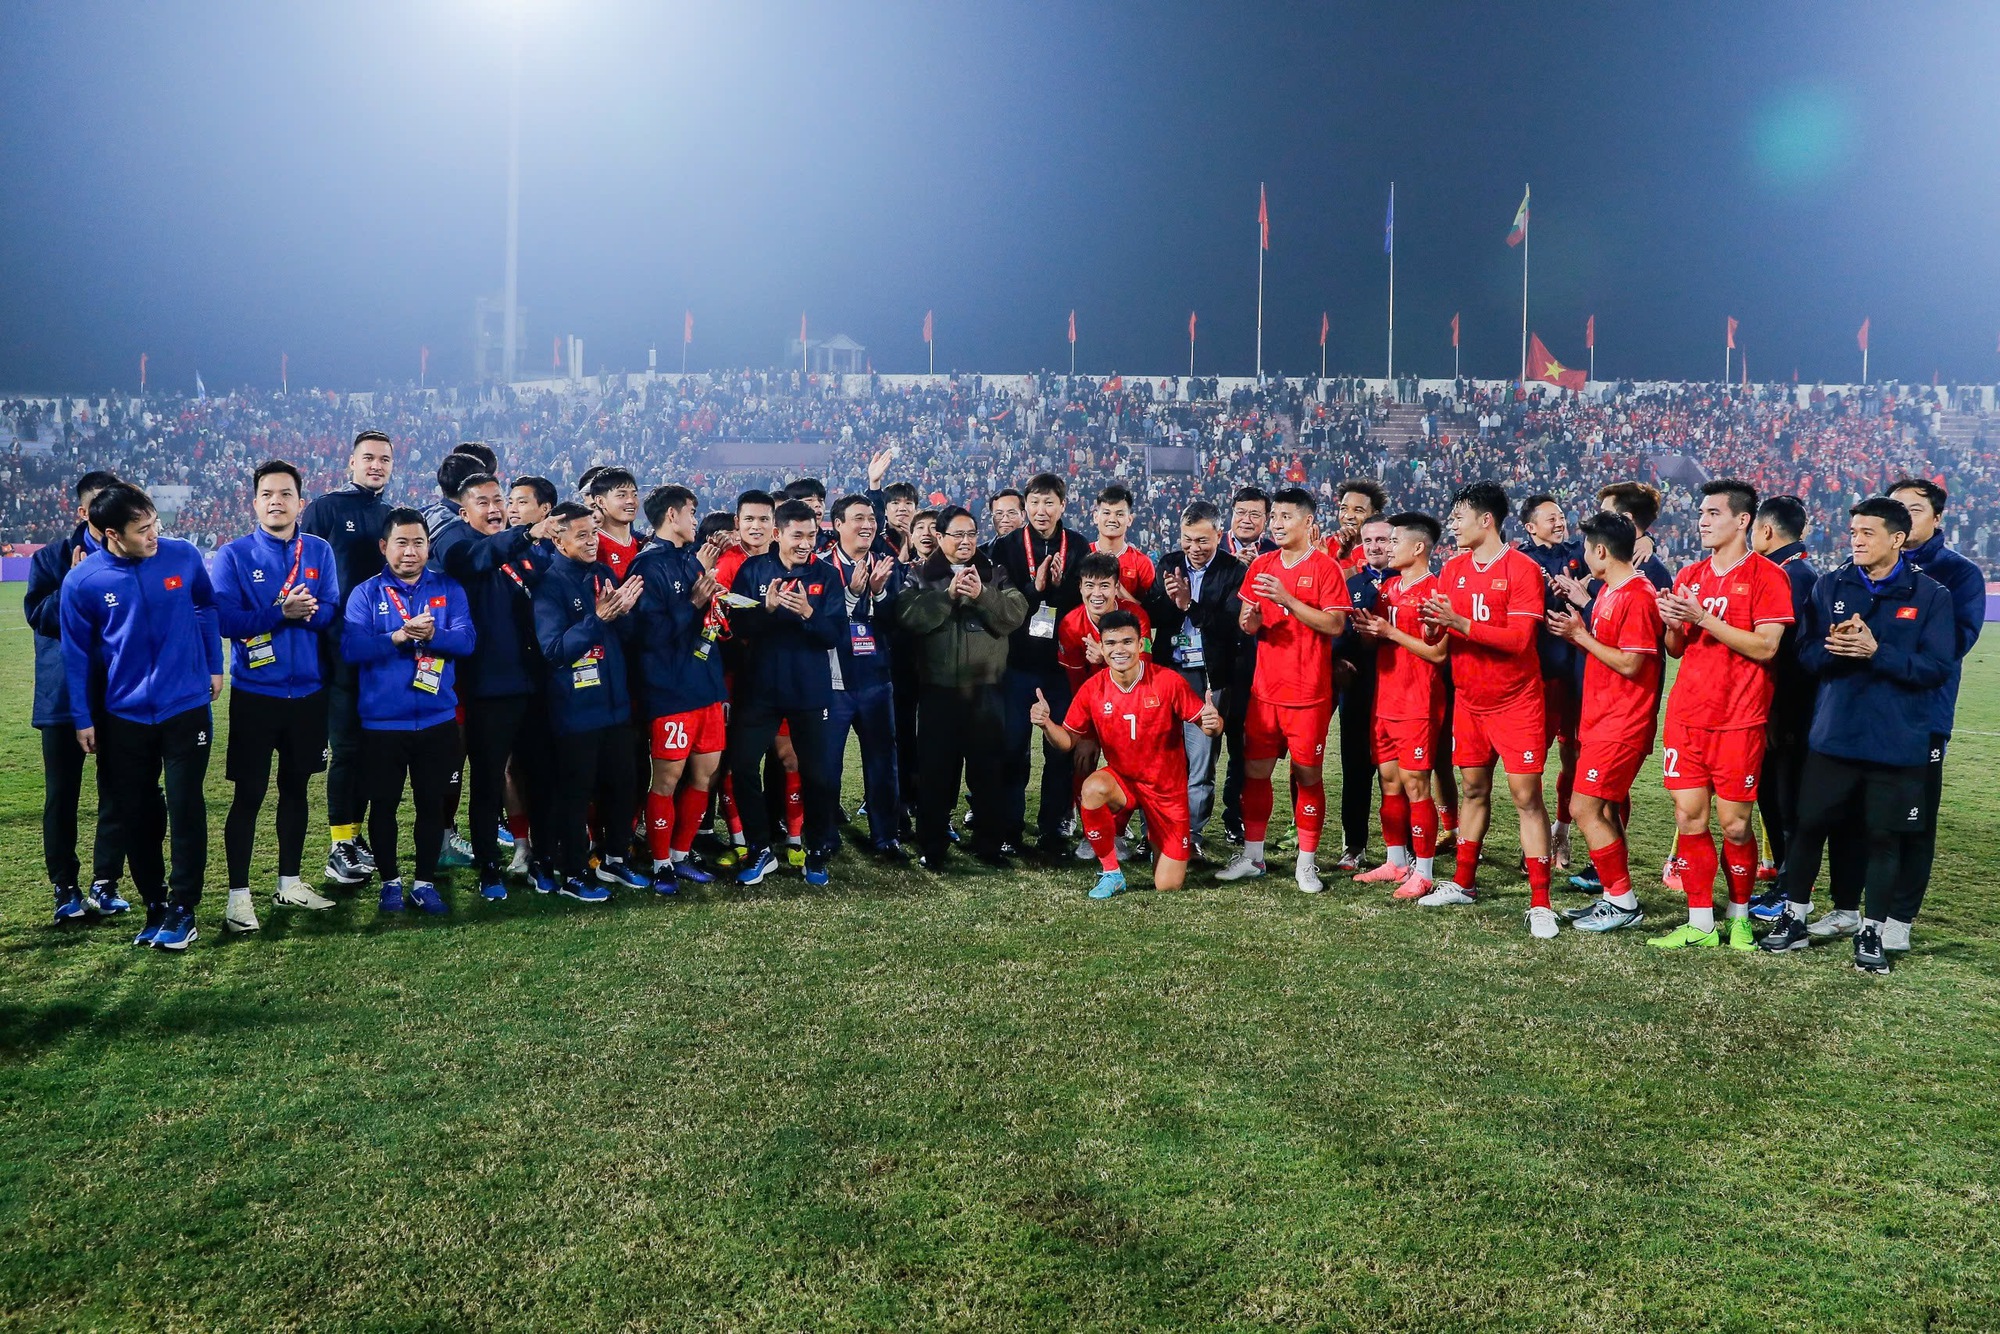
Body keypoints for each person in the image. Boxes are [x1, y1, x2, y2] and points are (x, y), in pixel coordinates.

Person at [1758, 497, 1955, 974]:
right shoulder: (1831, 585)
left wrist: (1875, 651)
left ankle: (1872, 932)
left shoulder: (1930, 596)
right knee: (1808, 829)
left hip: (1896, 743)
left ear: (1897, 539)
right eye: (1854, 532)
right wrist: (1836, 650)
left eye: (1868, 532)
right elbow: (1805, 655)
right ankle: (1795, 918)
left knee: (1883, 838)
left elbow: (1936, 668)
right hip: (1834, 737)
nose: (1858, 540)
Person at [60, 482, 223, 951]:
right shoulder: (84, 581)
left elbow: (206, 604)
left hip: (185, 706)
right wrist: (81, 716)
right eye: (143, 529)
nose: (155, 535)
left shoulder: (182, 555)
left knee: (185, 803)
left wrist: (213, 664)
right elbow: (76, 655)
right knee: (137, 813)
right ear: (112, 533)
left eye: (155, 524)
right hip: (124, 716)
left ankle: (183, 908)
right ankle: (155, 905)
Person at [1650, 479, 1794, 951]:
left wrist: (1704, 619)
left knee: (1735, 824)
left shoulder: (1767, 576)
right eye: (1701, 513)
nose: (1703, 521)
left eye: (1713, 513)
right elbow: (1676, 649)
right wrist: (1673, 625)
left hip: (1739, 720)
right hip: (1687, 717)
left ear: (1742, 520)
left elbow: (1768, 646)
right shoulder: (1690, 574)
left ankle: (1738, 916)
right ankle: (1699, 921)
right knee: (1689, 818)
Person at [1416, 481, 1557, 938]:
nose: (1452, 525)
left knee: (1526, 799)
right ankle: (1463, 882)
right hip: (1469, 702)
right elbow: (1439, 640)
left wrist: (1459, 622)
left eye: (1459, 517)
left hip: (1517, 703)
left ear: (1486, 520)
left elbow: (1519, 642)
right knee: (1473, 791)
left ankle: (1540, 903)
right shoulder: (1452, 569)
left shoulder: (1522, 570)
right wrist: (1434, 626)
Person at [211, 460, 342, 931]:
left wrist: (307, 614)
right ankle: (238, 896)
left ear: (300, 503)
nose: (276, 501)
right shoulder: (233, 555)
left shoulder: (320, 552)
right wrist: (279, 612)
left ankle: (289, 883)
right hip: (255, 695)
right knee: (248, 794)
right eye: (267, 493)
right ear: (254, 502)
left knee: (297, 789)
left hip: (308, 693)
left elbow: (331, 611)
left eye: (285, 494)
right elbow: (225, 621)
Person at [1031, 611, 1224, 898]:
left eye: (1126, 642)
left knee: (1167, 885)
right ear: (1101, 646)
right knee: (1092, 789)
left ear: (1140, 644)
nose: (1119, 650)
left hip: (1166, 791)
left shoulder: (1167, 681)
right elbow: (1067, 742)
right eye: (1110, 643)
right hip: (1125, 781)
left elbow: (1209, 727)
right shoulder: (1092, 689)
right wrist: (1047, 725)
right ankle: (1112, 873)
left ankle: (1157, 840)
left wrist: (1214, 723)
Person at [1216, 486, 1351, 893]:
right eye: (1274, 516)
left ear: (1308, 522)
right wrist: (1253, 619)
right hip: (1264, 692)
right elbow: (1246, 623)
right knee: (1255, 773)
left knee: (1308, 777)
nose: (1276, 523)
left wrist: (1288, 600)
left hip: (1307, 694)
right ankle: (1253, 856)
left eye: (1285, 516)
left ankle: (1306, 864)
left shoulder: (1325, 568)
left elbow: (1334, 625)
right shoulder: (1262, 564)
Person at [343, 508, 477, 915]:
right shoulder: (365, 593)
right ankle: (389, 882)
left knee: (431, 805)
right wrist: (398, 636)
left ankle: (423, 882)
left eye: (418, 542)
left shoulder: (449, 588)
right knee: (383, 806)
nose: (410, 551)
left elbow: (468, 641)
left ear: (428, 546)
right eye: (401, 542)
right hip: (382, 723)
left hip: (436, 719)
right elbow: (352, 649)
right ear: (385, 547)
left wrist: (437, 635)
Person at [431, 469, 556, 900]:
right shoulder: (458, 546)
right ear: (464, 511)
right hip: (488, 689)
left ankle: (540, 858)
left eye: (498, 500)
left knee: (539, 776)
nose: (494, 508)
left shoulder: (526, 552)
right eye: (482, 502)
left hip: (535, 686)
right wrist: (526, 535)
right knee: (487, 782)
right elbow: (473, 559)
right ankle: (489, 867)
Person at [1544, 511, 1664, 933]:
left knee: (1583, 807)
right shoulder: (1610, 592)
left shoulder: (1637, 595)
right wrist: (1578, 628)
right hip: (1602, 719)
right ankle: (1614, 897)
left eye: (1585, 548)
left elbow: (1632, 664)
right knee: (1605, 809)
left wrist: (1580, 635)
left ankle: (1623, 901)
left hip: (1623, 721)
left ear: (1599, 550)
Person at [25, 469, 131, 924]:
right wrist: (70, 585)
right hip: (63, 698)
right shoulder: (52, 558)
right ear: (83, 511)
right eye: (99, 502)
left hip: (118, 696)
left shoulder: (131, 557)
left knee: (118, 791)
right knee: (61, 795)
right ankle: (64, 888)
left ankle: (105, 883)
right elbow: (40, 619)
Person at [899, 505, 1029, 869]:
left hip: (987, 689)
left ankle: (989, 844)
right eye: (957, 534)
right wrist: (948, 597)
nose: (966, 541)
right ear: (939, 538)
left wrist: (983, 595)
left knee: (989, 772)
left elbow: (1016, 615)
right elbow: (907, 617)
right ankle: (933, 846)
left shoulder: (995, 571)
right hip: (938, 691)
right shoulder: (921, 575)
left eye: (971, 534)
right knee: (935, 774)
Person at [1883, 476, 1984, 945]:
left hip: (1923, 716)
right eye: (1895, 507)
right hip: (1861, 714)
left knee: (1913, 820)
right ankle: (1858, 912)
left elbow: (1957, 643)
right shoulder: (1867, 564)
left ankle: (1899, 921)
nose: (1904, 515)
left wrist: (1878, 647)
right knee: (1860, 817)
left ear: (1937, 517)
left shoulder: (1958, 573)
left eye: (1915, 508)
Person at [724, 499, 846, 886]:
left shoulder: (826, 576)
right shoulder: (753, 570)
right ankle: (761, 848)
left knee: (819, 776)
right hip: (760, 690)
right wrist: (768, 609)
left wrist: (809, 613)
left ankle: (816, 849)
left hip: (809, 692)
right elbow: (738, 627)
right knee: (742, 766)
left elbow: (835, 636)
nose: (806, 543)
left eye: (811, 535)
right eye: (798, 535)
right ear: (778, 535)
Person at [532, 502, 650, 900]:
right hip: (576, 712)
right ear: (559, 540)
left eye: (593, 533)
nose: (591, 541)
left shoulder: (601, 573)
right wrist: (598, 618)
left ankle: (615, 859)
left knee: (622, 786)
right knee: (575, 795)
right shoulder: (549, 585)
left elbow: (624, 635)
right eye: (581, 535)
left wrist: (627, 612)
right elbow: (554, 650)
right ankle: (573, 872)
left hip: (615, 707)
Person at [302, 429, 393, 887]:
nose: (377, 465)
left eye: (385, 459)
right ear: (351, 463)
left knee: (376, 752)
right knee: (348, 750)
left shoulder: (392, 516)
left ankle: (356, 839)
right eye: (369, 458)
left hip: (388, 652)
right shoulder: (326, 508)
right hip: (339, 652)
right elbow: (301, 570)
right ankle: (340, 845)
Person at [629, 485, 728, 889]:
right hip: (670, 691)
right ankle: (659, 863)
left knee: (705, 775)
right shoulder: (646, 567)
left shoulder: (691, 561)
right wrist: (692, 603)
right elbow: (648, 636)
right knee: (667, 780)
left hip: (705, 686)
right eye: (691, 511)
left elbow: (704, 620)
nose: (694, 519)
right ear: (672, 515)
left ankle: (681, 854)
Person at [1349, 513, 1447, 900]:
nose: (1386, 548)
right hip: (1385, 697)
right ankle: (1396, 861)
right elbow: (1379, 643)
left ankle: (1423, 870)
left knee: (1416, 784)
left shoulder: (1435, 591)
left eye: (1393, 542)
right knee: (1389, 781)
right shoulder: (1387, 588)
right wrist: (1370, 633)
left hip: (1418, 701)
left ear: (1418, 547)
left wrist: (1389, 631)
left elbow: (1438, 654)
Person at [1141, 499, 1244, 858]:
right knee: (1157, 759)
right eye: (1187, 539)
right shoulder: (1169, 563)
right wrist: (1170, 602)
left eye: (1202, 540)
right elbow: (1153, 612)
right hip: (1168, 672)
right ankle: (1151, 832)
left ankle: (1192, 836)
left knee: (1201, 762)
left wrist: (1189, 606)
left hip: (1209, 678)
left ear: (1219, 534)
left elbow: (1231, 627)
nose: (1194, 548)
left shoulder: (1233, 570)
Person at [991, 472, 1086, 860]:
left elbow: (1085, 603)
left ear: (1063, 505)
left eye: (1049, 503)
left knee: (1059, 751)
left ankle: (1051, 831)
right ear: (1025, 505)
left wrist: (1060, 589)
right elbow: (1000, 604)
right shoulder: (1006, 546)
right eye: (1034, 502)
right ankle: (1009, 830)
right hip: (1016, 665)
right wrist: (1037, 588)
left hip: (1061, 668)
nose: (1041, 510)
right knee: (1013, 749)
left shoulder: (1077, 545)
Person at [824, 494, 906, 858]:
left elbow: (896, 622)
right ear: (838, 525)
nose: (867, 525)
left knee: (883, 763)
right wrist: (852, 593)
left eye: (871, 518)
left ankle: (886, 837)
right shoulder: (821, 567)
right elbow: (821, 624)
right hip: (834, 683)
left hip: (876, 679)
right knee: (827, 763)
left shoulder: (889, 566)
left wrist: (880, 592)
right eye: (858, 518)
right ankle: (825, 836)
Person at [1746, 495, 1818, 907]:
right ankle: (1784, 885)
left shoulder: (1791, 576)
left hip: (1788, 710)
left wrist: (1775, 712)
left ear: (1767, 531)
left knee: (1785, 799)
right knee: (1773, 795)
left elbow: (1785, 654)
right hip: (1783, 707)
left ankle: (1792, 891)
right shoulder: (1793, 570)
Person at [1518, 493, 1588, 869]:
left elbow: (1614, 539)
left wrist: (1647, 539)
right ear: (1531, 527)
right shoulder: (1521, 561)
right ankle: (1536, 838)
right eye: (1551, 518)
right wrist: (1546, 592)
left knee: (1574, 755)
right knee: (1532, 761)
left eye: (1561, 516)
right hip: (1539, 678)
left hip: (1579, 675)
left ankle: (1562, 832)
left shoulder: (1579, 550)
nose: (1560, 522)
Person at [1333, 515, 1394, 869]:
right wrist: (1336, 661)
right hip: (1357, 690)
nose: (1375, 546)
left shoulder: (1408, 582)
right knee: (1356, 770)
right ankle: (1354, 846)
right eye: (1369, 541)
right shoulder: (1351, 584)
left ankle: (1403, 850)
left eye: (1382, 540)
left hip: (1399, 690)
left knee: (1400, 774)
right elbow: (1334, 635)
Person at [1088, 484, 1156, 598]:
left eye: (1119, 514)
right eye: (1106, 513)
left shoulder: (1142, 564)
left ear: (1129, 520)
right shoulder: (1083, 554)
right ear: (1096, 517)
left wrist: (1120, 591)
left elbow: (1149, 611)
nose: (1112, 519)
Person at [586, 467, 643, 583]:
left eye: (634, 494)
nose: (631, 501)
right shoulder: (591, 546)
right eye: (622, 495)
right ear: (600, 501)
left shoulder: (642, 545)